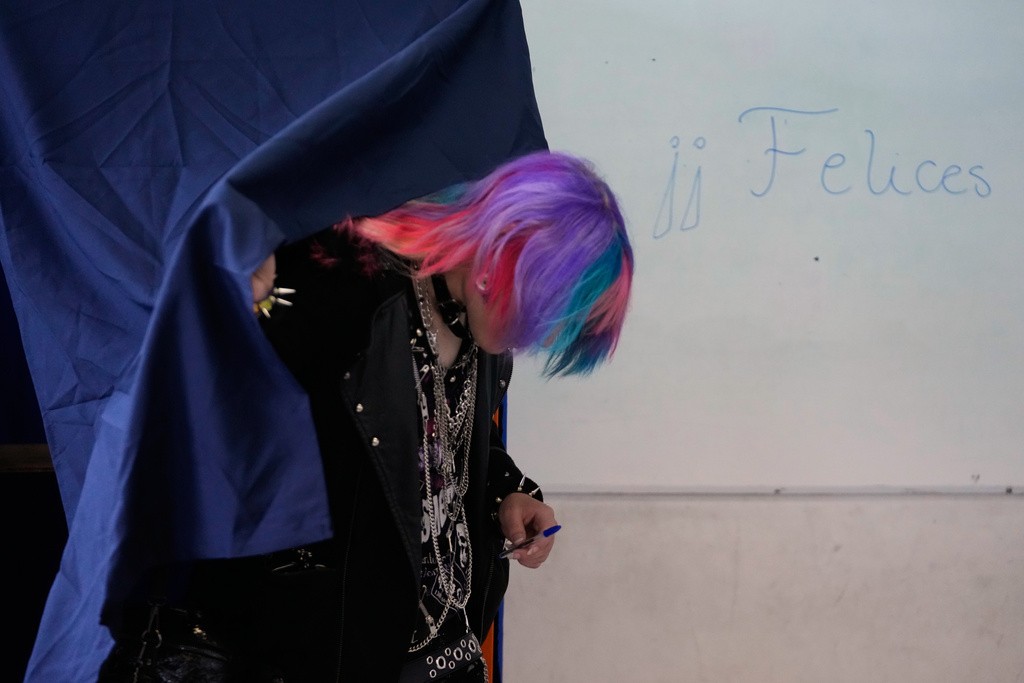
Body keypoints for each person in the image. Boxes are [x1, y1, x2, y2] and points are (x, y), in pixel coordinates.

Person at [98, 151, 633, 683]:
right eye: (540, 313)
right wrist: (251, 308)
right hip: (326, 647)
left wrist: (506, 491)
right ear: (500, 261)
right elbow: (216, 415)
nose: (536, 339)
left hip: (446, 649)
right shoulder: (346, 283)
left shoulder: (483, 339)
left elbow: (441, 438)